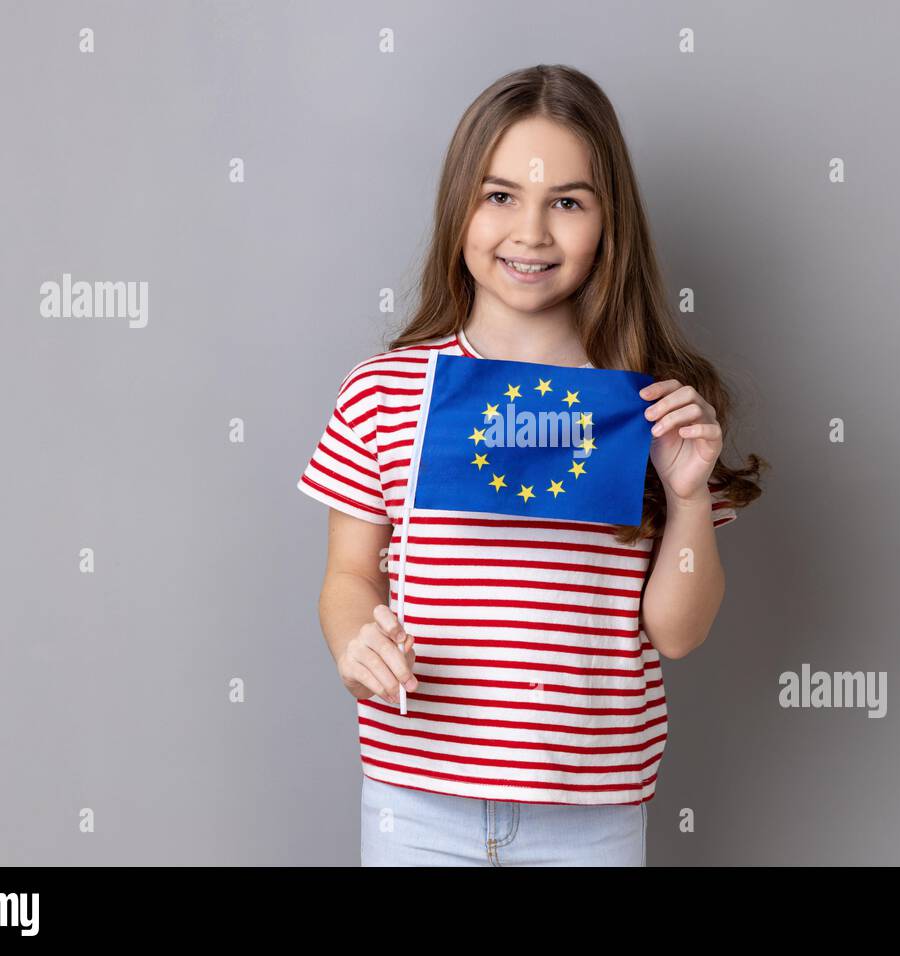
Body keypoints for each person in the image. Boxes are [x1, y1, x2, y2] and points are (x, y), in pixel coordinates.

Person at [296, 64, 767, 866]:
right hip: (416, 801)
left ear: (609, 223)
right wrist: (355, 647)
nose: (532, 233)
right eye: (500, 195)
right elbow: (349, 576)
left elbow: (677, 635)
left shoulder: (649, 408)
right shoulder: (385, 392)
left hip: (592, 814)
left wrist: (689, 500)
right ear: (460, 207)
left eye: (569, 202)